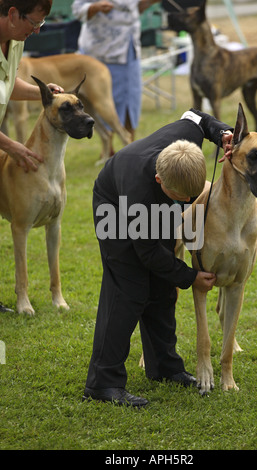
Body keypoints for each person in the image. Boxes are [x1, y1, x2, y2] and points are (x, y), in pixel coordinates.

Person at [83, 109, 233, 407]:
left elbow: (196, 118)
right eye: (181, 199)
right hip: (113, 203)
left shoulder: (186, 140)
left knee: (162, 289)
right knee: (129, 289)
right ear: (159, 180)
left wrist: (222, 133)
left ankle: (165, 367)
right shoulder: (141, 194)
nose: (187, 204)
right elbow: (148, 253)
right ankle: (102, 382)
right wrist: (190, 277)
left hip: (151, 206)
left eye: (191, 198)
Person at [0, 0, 63, 313]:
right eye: (33, 23)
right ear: (13, 14)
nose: (37, 31)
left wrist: (42, 94)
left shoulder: (13, 44)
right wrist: (11, 146)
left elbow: (6, 86)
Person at [72, 0, 160, 157]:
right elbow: (77, 9)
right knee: (99, 105)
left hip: (127, 50)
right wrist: (95, 7)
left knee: (129, 102)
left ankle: (130, 148)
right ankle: (108, 148)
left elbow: (137, 6)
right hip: (97, 52)